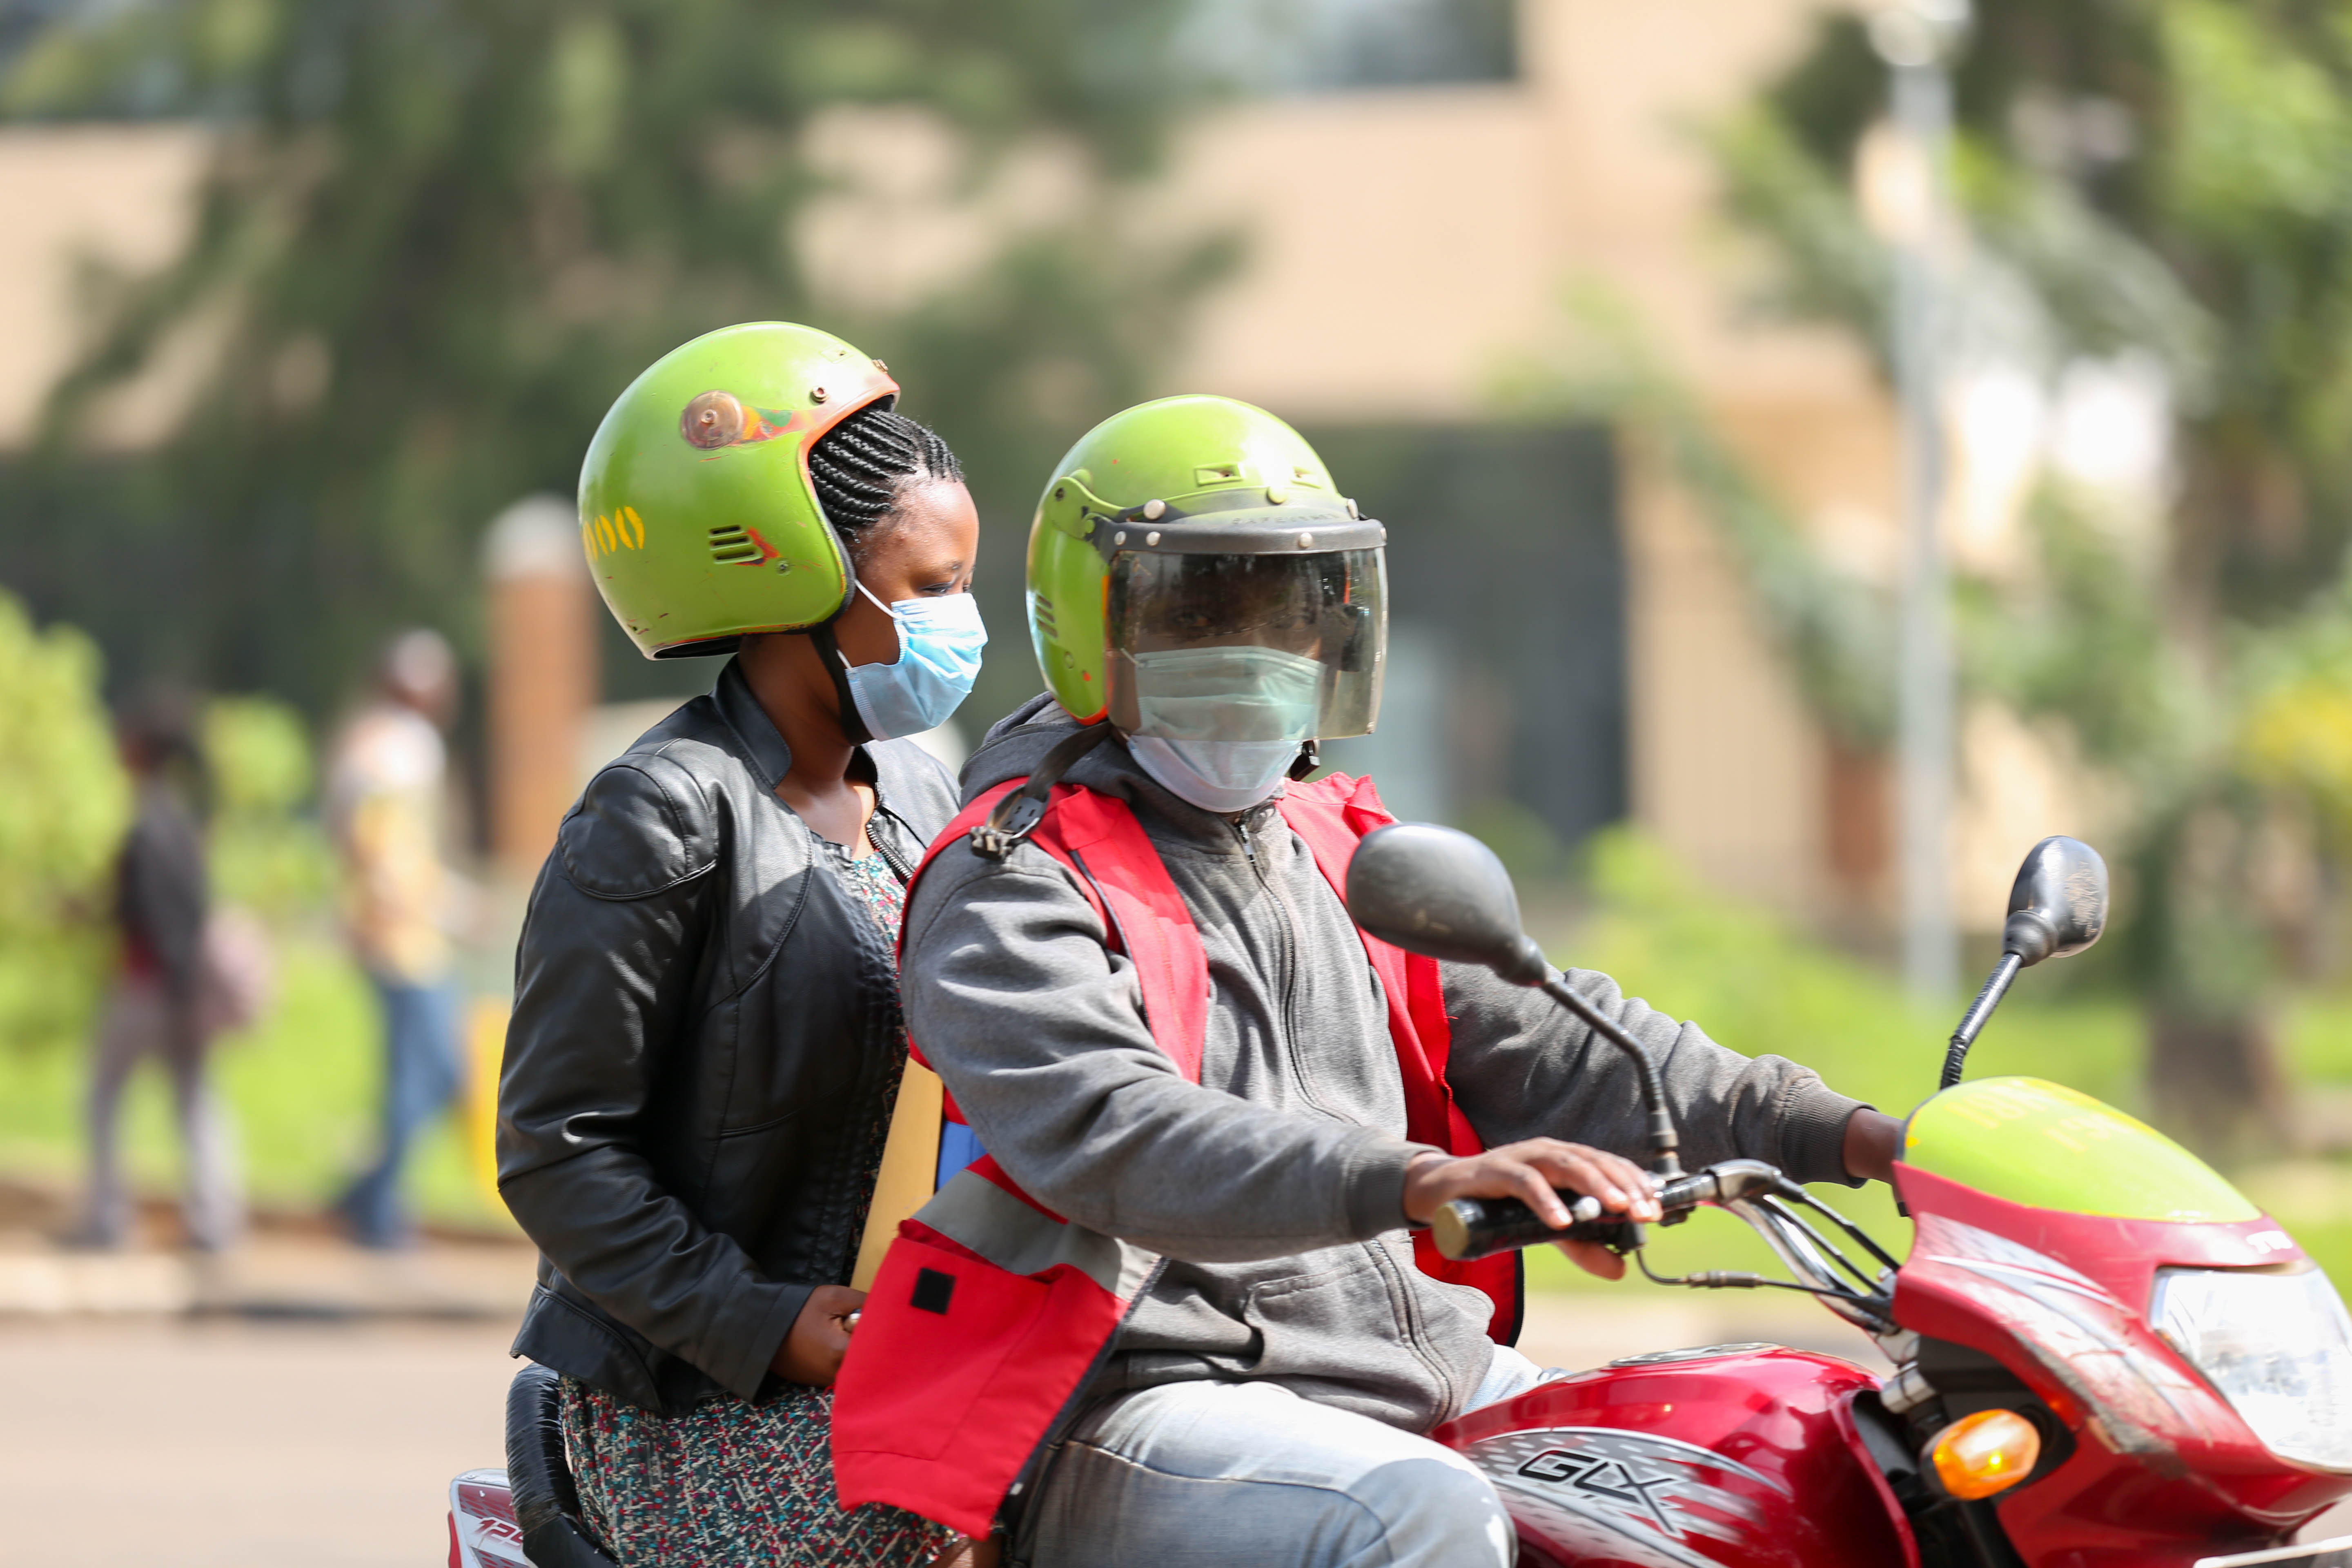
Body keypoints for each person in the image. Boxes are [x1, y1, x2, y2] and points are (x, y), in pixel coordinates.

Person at [833, 395, 1907, 1566]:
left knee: (1764, 1452)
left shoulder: (1334, 847)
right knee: (1426, 1512)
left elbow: (1575, 1049)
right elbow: (1116, 1134)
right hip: (1148, 1401)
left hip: (1406, 1376)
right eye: (1202, 608)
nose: (1260, 647)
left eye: (1290, 609)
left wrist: (1867, 1139)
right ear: (1092, 625)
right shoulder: (1016, 883)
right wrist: (1422, 1178)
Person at [496, 323, 991, 1568]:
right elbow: (558, 1153)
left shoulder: (929, 797)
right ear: (791, 579)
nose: (960, 621)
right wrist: (768, 1325)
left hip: (907, 1341)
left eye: (965, 582)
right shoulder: (661, 810)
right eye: (928, 588)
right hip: (697, 1401)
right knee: (942, 1510)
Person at [73, 697, 245, 1252]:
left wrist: (88, 910)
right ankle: (216, 1221)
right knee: (195, 1101)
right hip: (181, 985)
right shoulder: (185, 819)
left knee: (102, 1096)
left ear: (140, 749)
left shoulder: (148, 822)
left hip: (148, 985)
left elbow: (142, 911)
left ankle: (107, 1217)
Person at [326, 627, 465, 1248]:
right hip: (401, 937)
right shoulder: (397, 748)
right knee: (426, 1071)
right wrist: (433, 903)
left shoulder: (376, 740)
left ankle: (366, 1198)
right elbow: (379, 846)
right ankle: (378, 1211)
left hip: (407, 932)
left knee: (427, 1070)